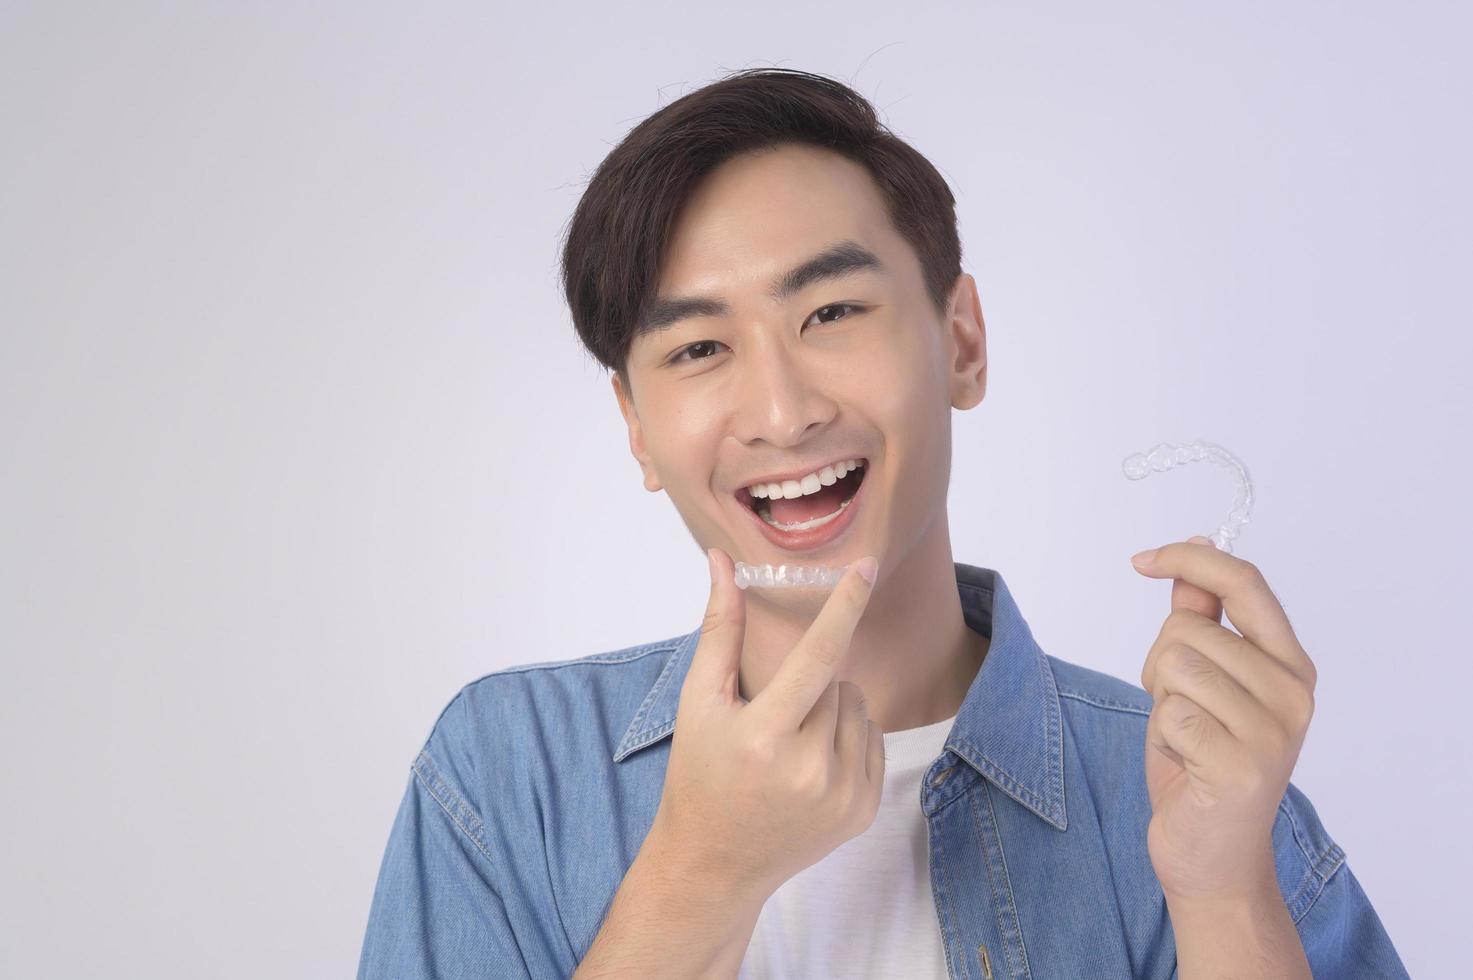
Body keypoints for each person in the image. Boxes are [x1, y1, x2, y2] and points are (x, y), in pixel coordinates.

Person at [357, 68, 1407, 979]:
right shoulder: (506, 776)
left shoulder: (1199, 783)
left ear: (961, 341)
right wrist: (702, 874)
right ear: (636, 427)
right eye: (697, 349)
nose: (783, 412)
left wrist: (1224, 891)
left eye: (831, 313)